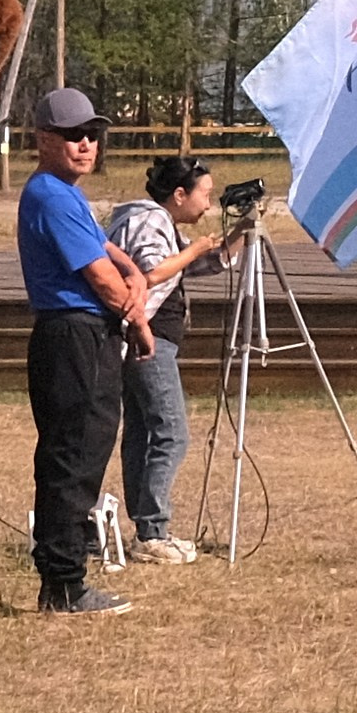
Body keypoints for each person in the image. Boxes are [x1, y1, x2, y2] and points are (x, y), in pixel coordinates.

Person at [17, 85, 149, 618]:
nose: (86, 144)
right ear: (44, 139)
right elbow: (100, 277)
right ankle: (64, 583)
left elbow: (105, 248)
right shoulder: (51, 193)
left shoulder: (63, 195)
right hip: (75, 335)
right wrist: (137, 319)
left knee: (77, 452)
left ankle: (64, 574)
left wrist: (135, 270)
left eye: (92, 135)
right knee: (75, 456)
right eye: (72, 136)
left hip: (75, 335)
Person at [103, 156, 230, 565]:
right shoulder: (149, 220)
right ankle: (153, 531)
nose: (208, 205)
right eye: (204, 195)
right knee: (171, 431)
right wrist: (194, 249)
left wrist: (239, 236)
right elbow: (154, 272)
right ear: (179, 194)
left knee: (143, 431)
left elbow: (186, 269)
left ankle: (146, 530)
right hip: (148, 339)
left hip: (149, 339)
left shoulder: (160, 223)